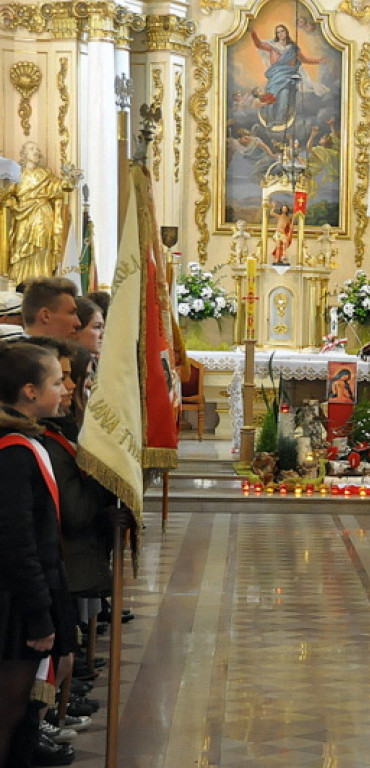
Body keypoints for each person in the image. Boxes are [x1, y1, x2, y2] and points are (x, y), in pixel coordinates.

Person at [0, 342, 74, 768]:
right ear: (29, 391)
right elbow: (18, 542)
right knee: (9, 717)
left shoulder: (26, 442)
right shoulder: (13, 453)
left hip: (27, 599)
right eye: (56, 381)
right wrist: (40, 615)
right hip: (15, 607)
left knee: (21, 717)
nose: (65, 389)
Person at [7, 143, 70, 286]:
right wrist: (14, 205)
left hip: (42, 213)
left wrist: (69, 181)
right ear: (23, 154)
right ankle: (21, 281)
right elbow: (7, 194)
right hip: (22, 215)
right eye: (31, 149)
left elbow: (57, 189)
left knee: (42, 247)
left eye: (37, 149)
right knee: (21, 246)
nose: (36, 151)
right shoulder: (16, 174)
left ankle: (42, 281)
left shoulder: (45, 174)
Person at [249, 25, 327, 132]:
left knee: (284, 96)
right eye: (278, 32)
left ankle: (280, 120)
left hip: (287, 77)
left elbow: (304, 59)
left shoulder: (293, 48)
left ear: (286, 32)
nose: (280, 34)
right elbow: (259, 45)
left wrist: (318, 61)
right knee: (271, 99)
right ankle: (270, 121)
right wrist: (253, 33)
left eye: (282, 31)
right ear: (276, 34)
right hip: (275, 77)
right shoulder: (273, 46)